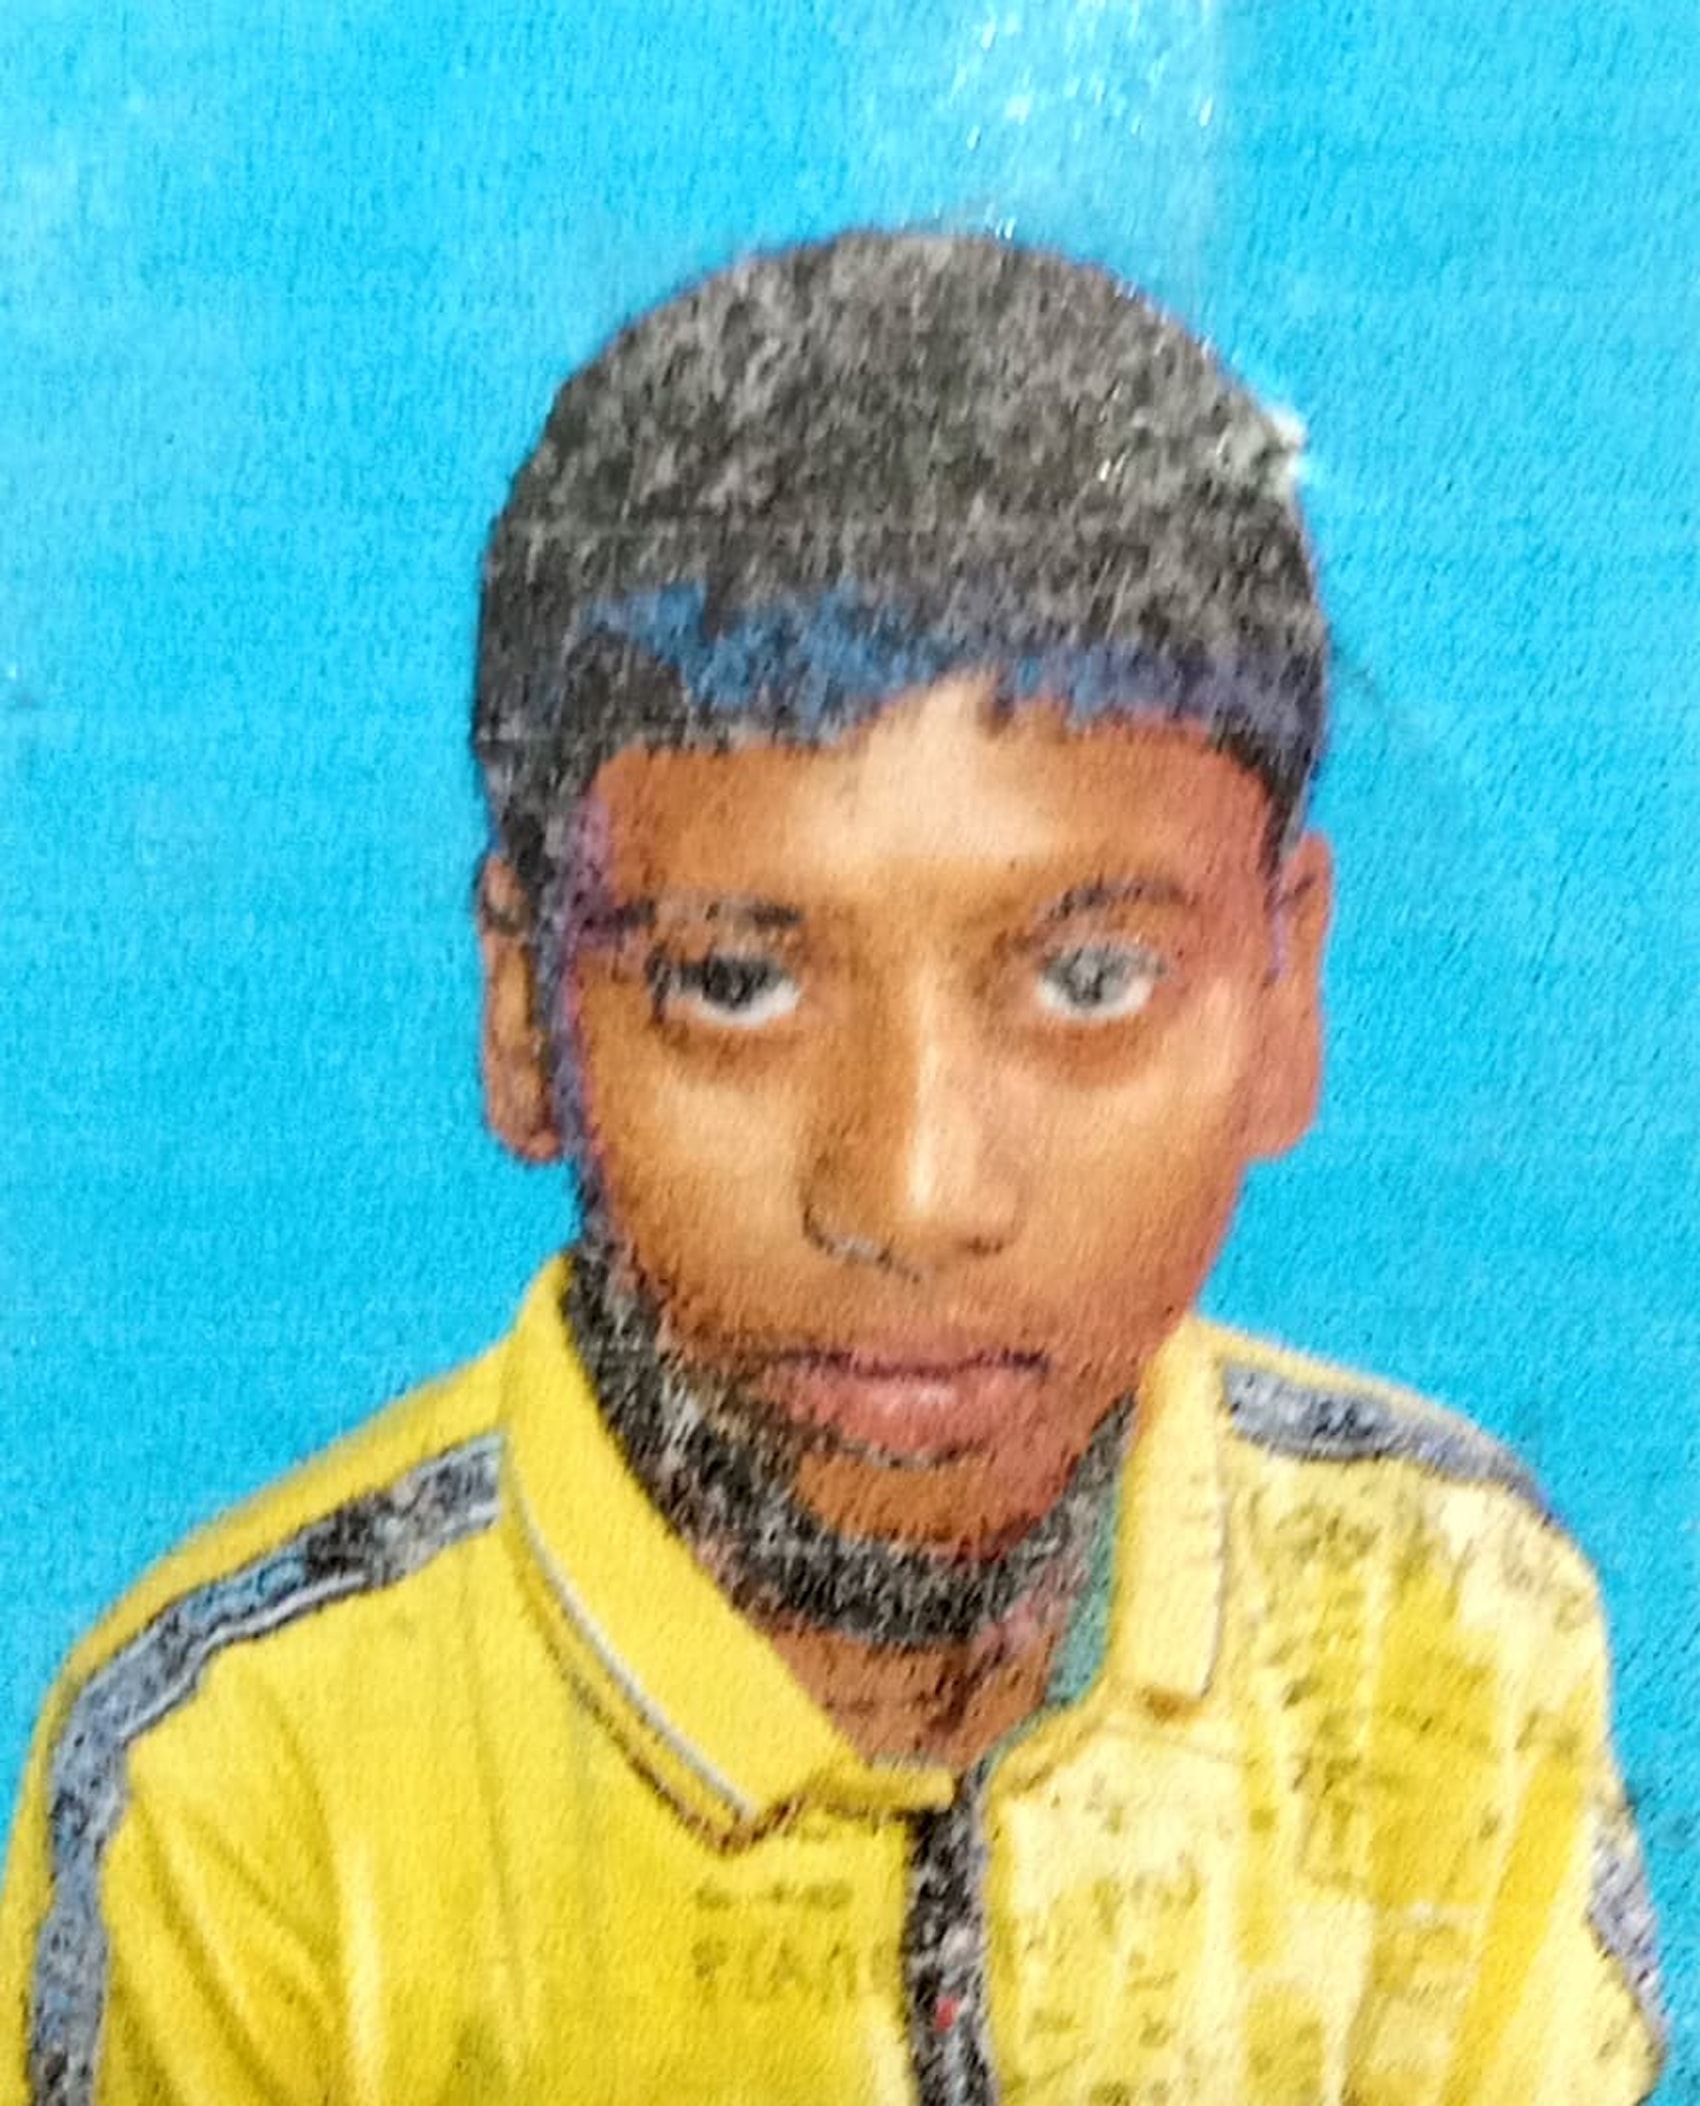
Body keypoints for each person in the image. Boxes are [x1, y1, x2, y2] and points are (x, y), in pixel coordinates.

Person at [0, 231, 1665, 2105]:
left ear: (1285, 991)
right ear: (528, 1014)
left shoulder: (1447, 1618)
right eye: (735, 982)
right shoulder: (247, 1776)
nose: (913, 1193)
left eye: (1090, 979)